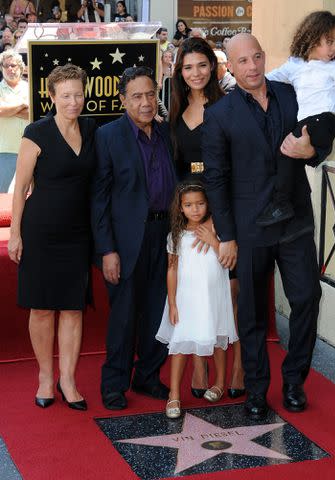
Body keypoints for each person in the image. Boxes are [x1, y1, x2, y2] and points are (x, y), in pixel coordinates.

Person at [202, 33, 331, 419]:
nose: (253, 66)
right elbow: (216, 179)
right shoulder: (220, 115)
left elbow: (323, 129)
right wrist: (226, 235)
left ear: (264, 55)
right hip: (249, 229)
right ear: (231, 66)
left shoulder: (291, 95)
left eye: (257, 56)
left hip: (294, 222)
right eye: (243, 61)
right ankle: (256, 389)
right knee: (254, 315)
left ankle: (294, 381)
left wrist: (315, 151)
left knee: (307, 298)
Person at [8, 64, 96, 411]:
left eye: (78, 94)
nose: (73, 101)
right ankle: (46, 377)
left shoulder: (92, 129)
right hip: (41, 230)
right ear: (51, 96)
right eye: (65, 95)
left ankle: (68, 379)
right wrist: (15, 233)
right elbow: (20, 189)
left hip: (78, 233)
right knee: (42, 307)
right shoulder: (36, 132)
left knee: (73, 308)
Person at [91, 66, 176, 411]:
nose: (145, 102)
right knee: (124, 315)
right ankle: (114, 384)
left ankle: (147, 376)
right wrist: (107, 249)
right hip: (126, 239)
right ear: (123, 99)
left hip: (165, 235)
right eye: (137, 96)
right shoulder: (108, 136)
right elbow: (98, 197)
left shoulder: (168, 133)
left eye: (150, 94)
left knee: (159, 310)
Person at [170, 37, 245, 399]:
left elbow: (238, 169)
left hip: (224, 215)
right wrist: (188, 221)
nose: (196, 72)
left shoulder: (229, 106)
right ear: (179, 72)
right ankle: (200, 367)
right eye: (188, 67)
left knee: (230, 293)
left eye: (202, 65)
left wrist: (218, 221)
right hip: (190, 218)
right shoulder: (175, 111)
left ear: (213, 68)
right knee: (195, 292)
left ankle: (238, 368)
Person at [257, 10, 335, 227]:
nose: (334, 49)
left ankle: (281, 204)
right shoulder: (294, 65)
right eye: (329, 42)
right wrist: (248, 83)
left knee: (285, 152)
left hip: (323, 121)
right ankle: (284, 203)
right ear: (312, 37)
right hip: (306, 123)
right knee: (285, 154)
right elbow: (271, 79)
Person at [156, 181, 238, 418]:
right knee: (180, 344)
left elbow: (227, 259)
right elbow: (172, 270)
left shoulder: (219, 230)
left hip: (214, 296)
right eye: (189, 205)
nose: (195, 209)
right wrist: (172, 302)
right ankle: (174, 395)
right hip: (186, 299)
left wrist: (213, 240)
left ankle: (220, 383)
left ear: (208, 204)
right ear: (180, 208)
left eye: (200, 203)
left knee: (218, 339)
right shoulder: (176, 236)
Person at [0, 50, 28, 193]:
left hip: (30, 148)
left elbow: (33, 113)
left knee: (29, 192)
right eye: (6, 66)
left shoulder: (29, 87)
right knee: (2, 192)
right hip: (5, 149)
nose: (10, 69)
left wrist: (9, 110)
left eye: (13, 65)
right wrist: (22, 106)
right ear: (1, 68)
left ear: (21, 67)